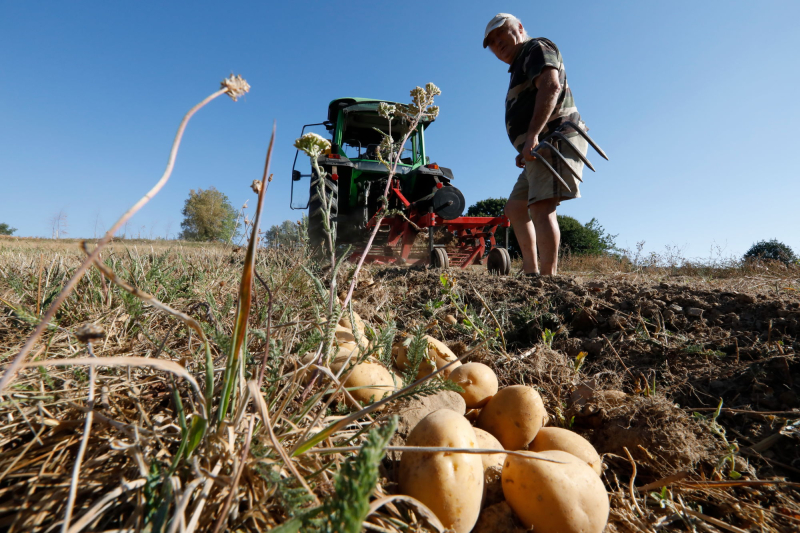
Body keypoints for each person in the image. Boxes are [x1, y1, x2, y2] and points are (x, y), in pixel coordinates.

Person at [483, 13, 589, 276]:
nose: (498, 44)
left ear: (519, 28)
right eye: (492, 42)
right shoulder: (520, 64)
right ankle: (530, 272)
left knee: (541, 206)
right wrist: (525, 146)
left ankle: (547, 278)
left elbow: (551, 87)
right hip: (536, 148)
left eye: (501, 34)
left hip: (554, 138)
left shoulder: (535, 48)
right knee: (515, 208)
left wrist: (532, 135)